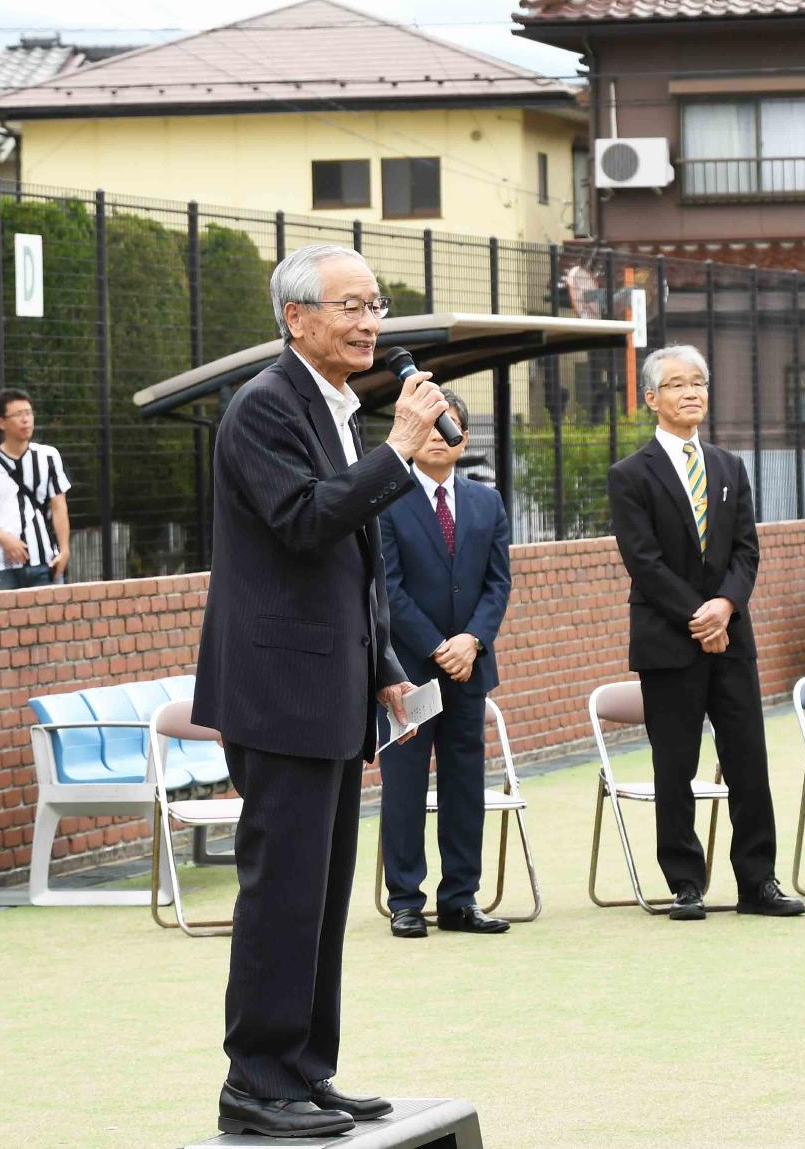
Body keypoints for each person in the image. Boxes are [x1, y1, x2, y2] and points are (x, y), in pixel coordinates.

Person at [193, 242, 453, 1139]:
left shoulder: (336, 407)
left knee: (325, 888)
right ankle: (254, 1081)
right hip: (279, 689)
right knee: (283, 889)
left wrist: (383, 664)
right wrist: (400, 451)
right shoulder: (263, 408)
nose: (369, 321)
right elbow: (306, 521)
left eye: (374, 304)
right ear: (297, 318)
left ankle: (305, 1069)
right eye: (349, 305)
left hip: (335, 685)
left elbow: (356, 560)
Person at [605, 345, 805, 922]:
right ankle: (685, 882)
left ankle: (758, 881)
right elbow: (643, 561)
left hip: (732, 637)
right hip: (670, 641)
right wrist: (700, 617)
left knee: (748, 760)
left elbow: (746, 550)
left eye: (698, 383)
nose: (690, 393)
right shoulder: (630, 475)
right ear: (651, 399)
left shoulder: (728, 467)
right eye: (676, 385)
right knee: (676, 764)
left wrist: (725, 607)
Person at [376, 391, 514, 940]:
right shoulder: (386, 500)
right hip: (408, 672)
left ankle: (461, 899)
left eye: (447, 425)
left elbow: (497, 584)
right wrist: (438, 646)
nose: (437, 434)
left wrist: (472, 641)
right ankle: (405, 900)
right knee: (404, 785)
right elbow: (387, 589)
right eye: (428, 425)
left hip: (469, 671)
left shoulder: (488, 503)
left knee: (465, 784)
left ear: (464, 436)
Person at [0, 388, 70, 591]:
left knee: (49, 622)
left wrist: (64, 550)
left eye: (28, 413)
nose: (26, 420)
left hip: (45, 561)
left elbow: (59, 506)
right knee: (2, 622)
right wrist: (3, 538)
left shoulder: (49, 456)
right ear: (1, 422)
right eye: (18, 415)